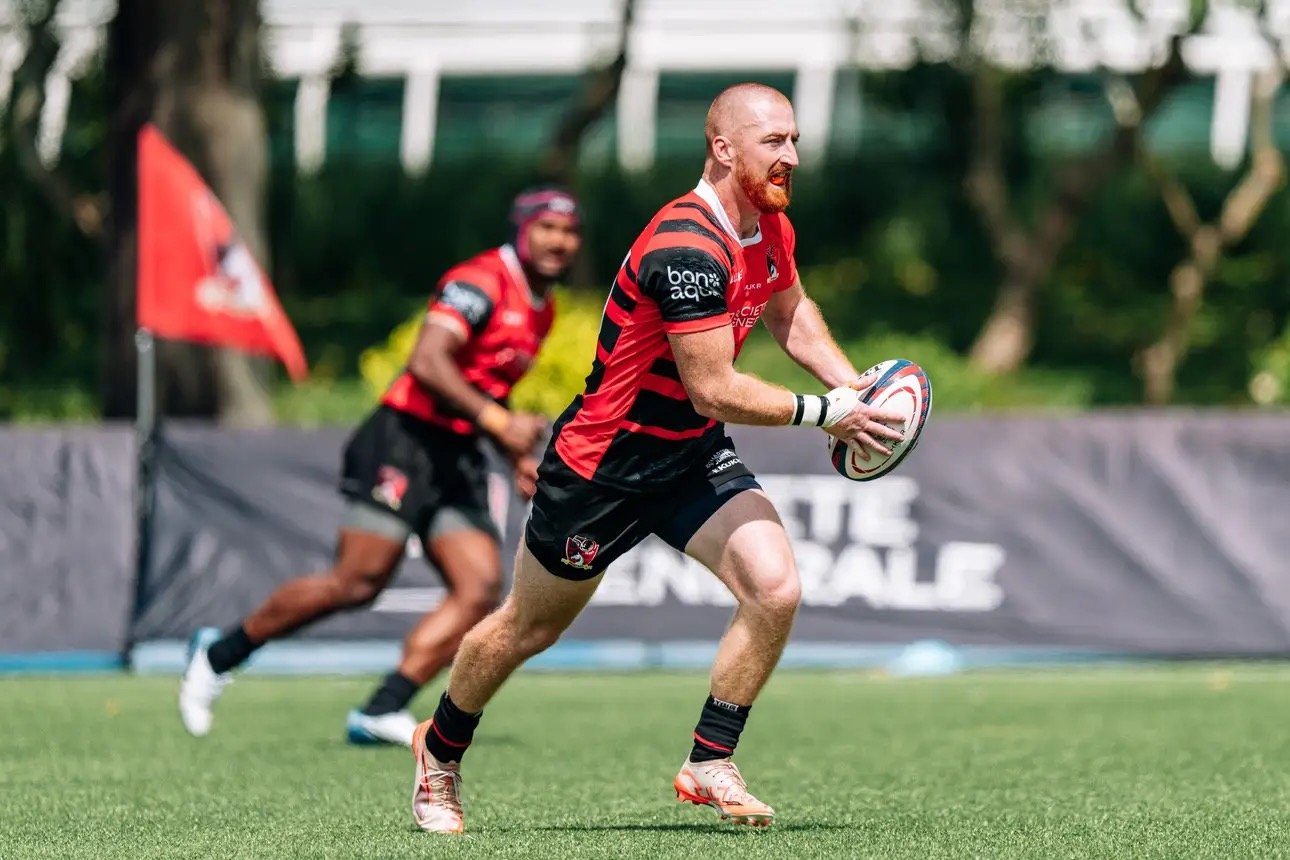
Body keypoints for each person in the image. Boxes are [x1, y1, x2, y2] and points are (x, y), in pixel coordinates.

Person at [407, 83, 906, 834]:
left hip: (690, 456)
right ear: (723, 149)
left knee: (775, 589)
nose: (792, 157)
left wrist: (852, 387)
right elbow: (714, 388)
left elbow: (791, 313)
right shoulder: (685, 246)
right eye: (774, 142)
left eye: (795, 141)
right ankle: (439, 750)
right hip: (603, 467)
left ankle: (711, 759)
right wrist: (823, 412)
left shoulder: (770, 225)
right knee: (529, 628)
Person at [178, 187, 583, 747]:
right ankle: (218, 654)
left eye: (569, 232)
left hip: (456, 453)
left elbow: (484, 384)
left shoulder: (544, 307)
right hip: (403, 440)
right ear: (521, 230)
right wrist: (498, 423)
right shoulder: (480, 282)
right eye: (547, 228)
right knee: (357, 582)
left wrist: (513, 452)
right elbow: (427, 361)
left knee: (479, 589)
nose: (559, 241)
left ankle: (381, 707)